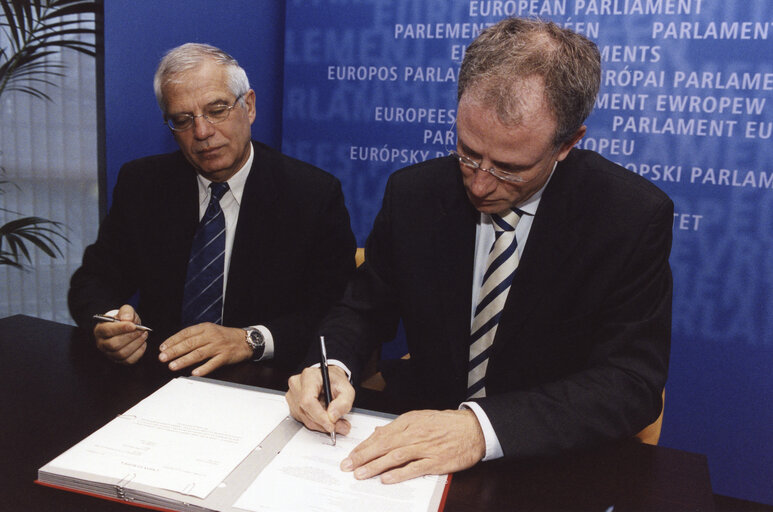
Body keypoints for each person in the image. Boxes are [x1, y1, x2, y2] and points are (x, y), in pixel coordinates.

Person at [286, 18, 672, 484]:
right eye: (468, 153)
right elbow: (364, 307)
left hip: (543, 463)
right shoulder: (414, 194)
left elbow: (630, 383)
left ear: (568, 143)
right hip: (413, 447)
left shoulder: (629, 218)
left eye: (510, 168)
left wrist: (479, 428)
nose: (481, 183)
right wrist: (330, 367)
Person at [69, 43, 356, 376]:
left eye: (217, 110)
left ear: (248, 106)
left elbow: (335, 310)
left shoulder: (312, 195)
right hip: (159, 379)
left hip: (266, 386)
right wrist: (108, 323)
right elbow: (93, 280)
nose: (202, 132)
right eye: (183, 119)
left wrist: (249, 340)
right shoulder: (143, 184)